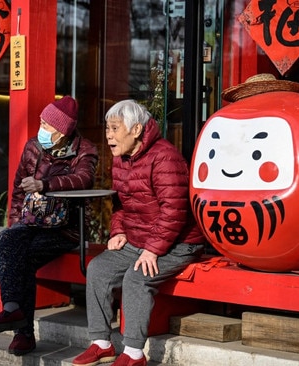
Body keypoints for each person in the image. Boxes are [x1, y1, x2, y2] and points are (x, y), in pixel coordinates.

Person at [72, 100, 206, 366]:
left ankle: (134, 353)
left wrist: (153, 249)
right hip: (140, 239)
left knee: (137, 276)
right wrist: (118, 230)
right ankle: (101, 343)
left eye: (114, 128)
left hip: (178, 242)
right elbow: (122, 203)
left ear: (135, 129)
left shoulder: (165, 156)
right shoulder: (121, 159)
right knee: (98, 269)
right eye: (107, 128)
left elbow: (174, 211)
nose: (108, 134)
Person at [0, 95, 99, 356]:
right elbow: (16, 191)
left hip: (66, 228)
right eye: (41, 122)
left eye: (47, 125)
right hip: (32, 223)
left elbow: (84, 179)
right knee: (8, 240)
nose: (41, 128)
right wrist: (14, 225)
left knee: (20, 256)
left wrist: (45, 185)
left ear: (61, 132)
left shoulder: (85, 150)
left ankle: (22, 331)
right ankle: (12, 309)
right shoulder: (33, 147)